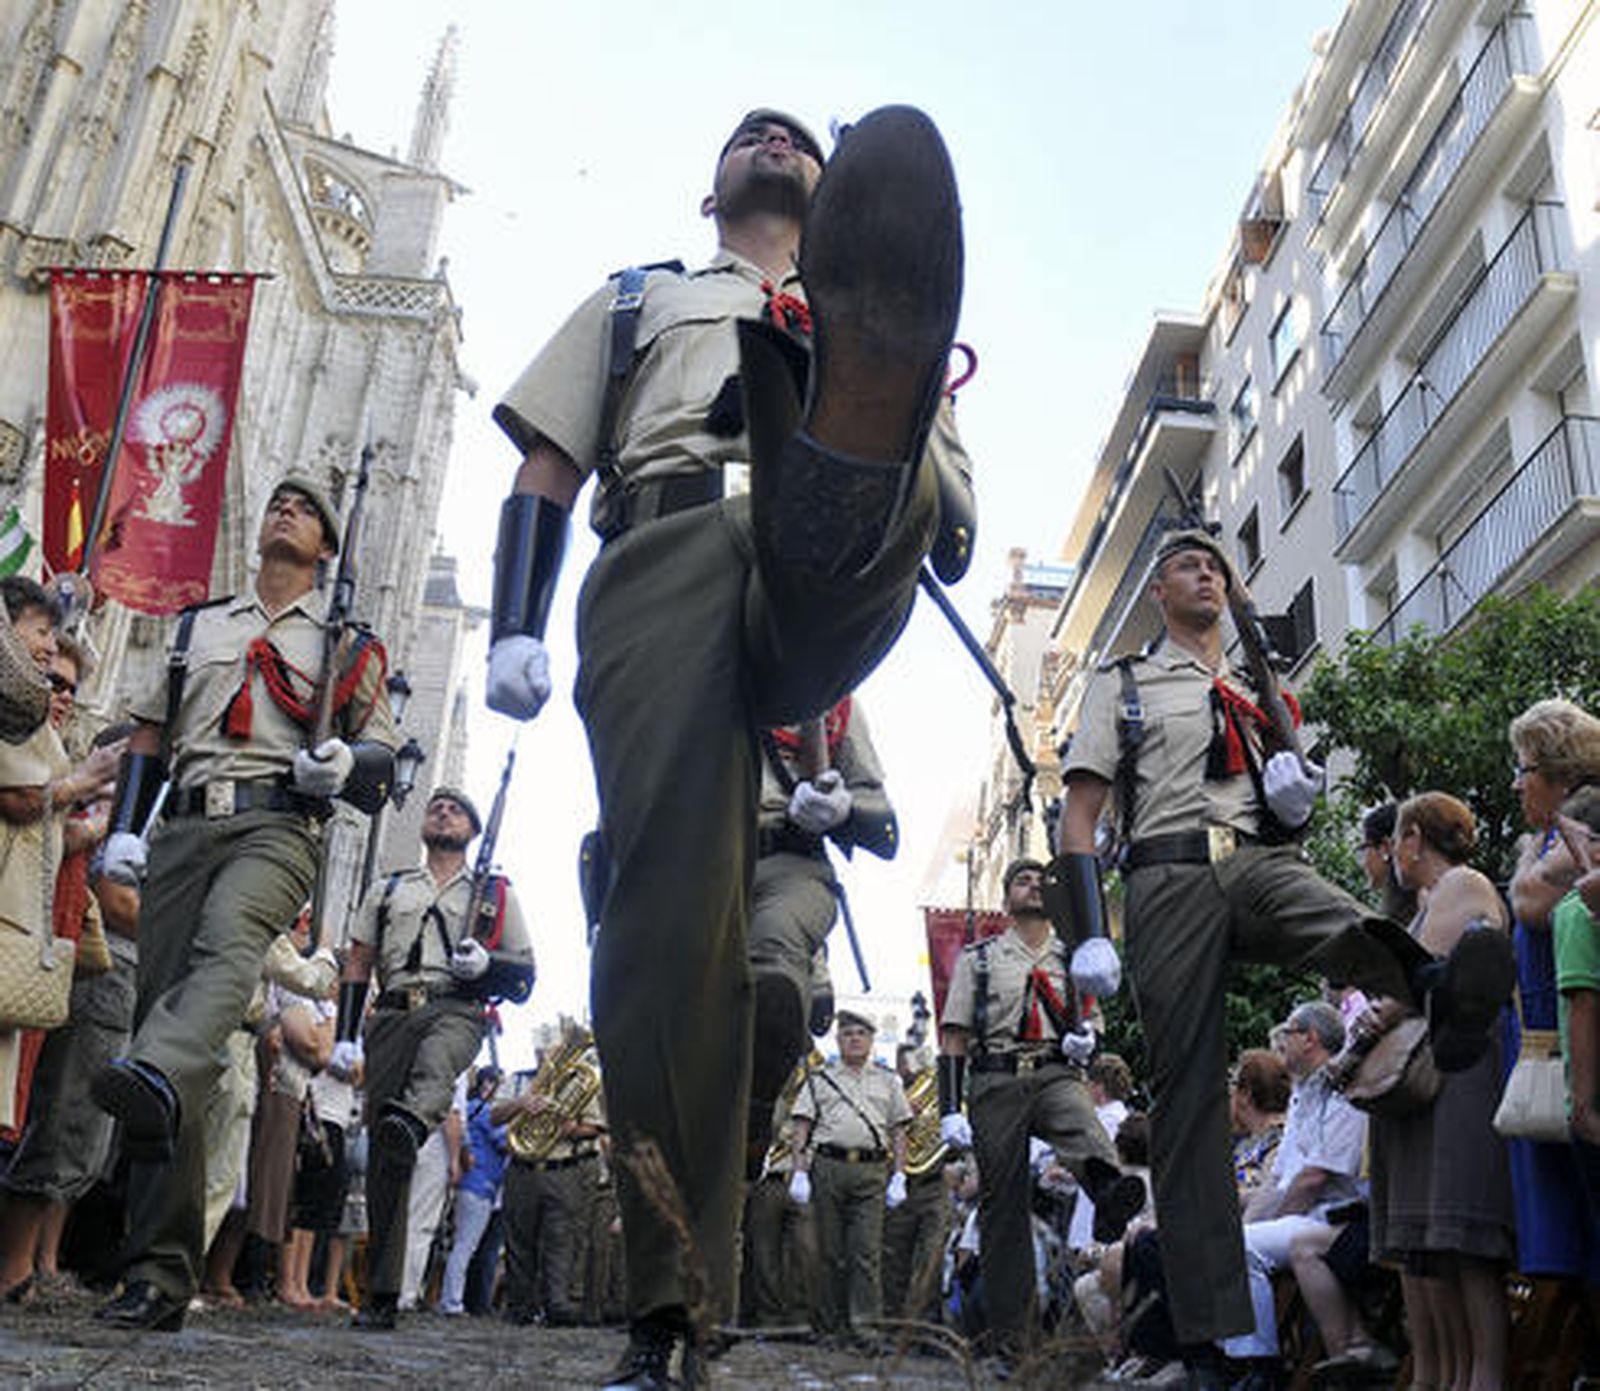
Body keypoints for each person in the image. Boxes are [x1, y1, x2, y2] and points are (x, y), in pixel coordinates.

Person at [487, 103, 970, 1387]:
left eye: (798, 137)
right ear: (713, 196)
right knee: (660, 932)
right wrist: (512, 628)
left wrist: (901, 439)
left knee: (881, 474)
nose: (771, 135)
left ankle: (848, 439)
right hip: (664, 553)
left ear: (832, 196)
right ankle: (674, 1301)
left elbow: (959, 522)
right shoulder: (639, 301)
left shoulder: (870, 289)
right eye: (750, 133)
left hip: (834, 554)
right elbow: (546, 466)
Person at [1056, 529, 1513, 1388]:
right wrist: (1086, 926)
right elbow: (1080, 811)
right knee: (1189, 1099)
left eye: (1217, 567)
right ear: (1159, 590)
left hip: (1255, 861)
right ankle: (1204, 1336)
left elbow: (1288, 810)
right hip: (1167, 871)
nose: (1208, 575)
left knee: (1331, 912)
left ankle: (1435, 981)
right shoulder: (1124, 686)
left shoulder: (1262, 693)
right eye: (1190, 565)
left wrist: (1297, 798)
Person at [88, 474, 396, 1330]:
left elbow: (384, 759)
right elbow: (151, 731)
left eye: (307, 510)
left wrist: (345, 764)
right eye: (277, 502)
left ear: (328, 549)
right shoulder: (199, 624)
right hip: (184, 828)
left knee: (227, 952)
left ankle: (153, 1064)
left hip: (276, 829)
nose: (285, 510)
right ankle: (157, 1271)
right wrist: (125, 828)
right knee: (170, 1057)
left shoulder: (348, 644)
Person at [336, 785, 533, 1330]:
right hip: (394, 1011)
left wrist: (486, 965)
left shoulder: (494, 892)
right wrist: (347, 1035)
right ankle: (380, 1292)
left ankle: (414, 1116)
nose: (444, 812)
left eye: (457, 810)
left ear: (472, 831)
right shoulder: (391, 886)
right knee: (385, 1162)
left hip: (457, 1009)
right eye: (436, 807)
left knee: (436, 1067)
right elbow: (359, 959)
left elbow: (524, 976)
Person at [935, 858, 1145, 1366]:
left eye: (1039, 881)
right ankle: (1016, 1342)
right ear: (1006, 899)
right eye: (1021, 880)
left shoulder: (1073, 958)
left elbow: (1090, 1028)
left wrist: (1085, 1042)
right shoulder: (980, 958)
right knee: (1002, 1210)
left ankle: (1109, 1188)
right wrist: (948, 1108)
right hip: (996, 1078)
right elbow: (955, 1036)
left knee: (1079, 1117)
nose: (1032, 886)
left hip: (1053, 1071)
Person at [1365, 792, 1515, 1391]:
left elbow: (1415, 976)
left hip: (1461, 1073)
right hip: (1433, 1085)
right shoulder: (1428, 901)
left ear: (1415, 838)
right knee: (1435, 1255)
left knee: (1466, 1243)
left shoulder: (1463, 885)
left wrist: (1378, 1009)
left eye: (1397, 838)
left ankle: (1484, 1378)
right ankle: (1449, 1377)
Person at [746, 696, 896, 1174]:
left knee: (774, 965)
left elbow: (884, 822)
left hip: (787, 861)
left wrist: (843, 807)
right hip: (693, 862)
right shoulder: (691, 664)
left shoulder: (835, 699)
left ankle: (753, 1115)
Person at [1221, 1001, 1365, 1383]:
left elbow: (1314, 1178)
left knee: (1236, 1249)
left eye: (1288, 1032)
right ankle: (1232, 1360)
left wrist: (1268, 1224)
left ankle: (1258, 1367)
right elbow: (1278, 1180)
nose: (1281, 1041)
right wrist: (1252, 1222)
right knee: (1231, 1241)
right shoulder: (1303, 1094)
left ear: (1309, 1038)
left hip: (1338, 1216)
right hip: (1307, 1213)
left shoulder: (1342, 1091)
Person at [1506, 698, 1600, 1285]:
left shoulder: (1582, 833)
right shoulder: (1550, 841)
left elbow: (1530, 901)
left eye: (1523, 769)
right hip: (1554, 1049)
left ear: (1560, 775)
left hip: (1578, 1055)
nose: (1516, 786)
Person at [787, 1009, 911, 1348]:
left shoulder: (889, 1081)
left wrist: (899, 1175)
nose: (854, 1038)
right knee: (829, 1252)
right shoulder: (820, 1078)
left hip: (871, 1170)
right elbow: (801, 1127)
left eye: (860, 1033)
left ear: (871, 1041)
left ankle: (865, 1328)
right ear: (838, 1040)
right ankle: (829, 1327)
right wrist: (799, 1172)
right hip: (828, 1167)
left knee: (866, 1252)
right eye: (847, 1034)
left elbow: (899, 1131)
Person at [495, 1035, 607, 1327]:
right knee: (519, 1238)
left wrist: (570, 1128)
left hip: (563, 1169)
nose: (548, 1057)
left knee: (561, 1239)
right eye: (543, 1050)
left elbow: (595, 1127)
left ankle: (556, 1304)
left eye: (554, 1050)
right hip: (522, 1169)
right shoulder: (518, 1080)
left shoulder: (579, 1083)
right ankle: (520, 1304)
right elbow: (493, 1116)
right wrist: (521, 1104)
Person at [880, 1043, 950, 1323]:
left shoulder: (939, 1093)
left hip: (934, 1183)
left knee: (931, 1258)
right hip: (898, 1183)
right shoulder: (888, 1093)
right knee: (893, 1258)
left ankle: (922, 1325)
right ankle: (891, 1323)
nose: (909, 1067)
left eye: (913, 1061)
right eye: (904, 1062)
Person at [438, 1064, 508, 1316]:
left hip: (478, 1185)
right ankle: (451, 1302)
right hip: (479, 1185)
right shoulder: (484, 1111)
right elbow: (506, 1142)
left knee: (465, 1246)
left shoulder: (473, 1109)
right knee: (465, 1246)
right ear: (487, 1084)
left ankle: (453, 1300)